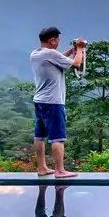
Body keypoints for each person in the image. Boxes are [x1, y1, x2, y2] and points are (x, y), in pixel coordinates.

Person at [30, 26, 86, 177]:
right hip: (53, 101)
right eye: (58, 40)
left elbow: (56, 58)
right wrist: (80, 49)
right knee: (57, 137)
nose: (59, 43)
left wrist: (70, 51)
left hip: (40, 100)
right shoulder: (51, 54)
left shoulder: (36, 54)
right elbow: (76, 64)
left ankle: (42, 168)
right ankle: (60, 170)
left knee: (39, 136)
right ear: (52, 40)